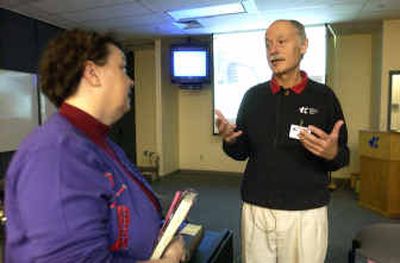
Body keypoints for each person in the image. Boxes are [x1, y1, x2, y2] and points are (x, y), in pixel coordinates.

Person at [5, 29, 185, 262]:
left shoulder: (98, 142)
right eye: (122, 68)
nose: (131, 81)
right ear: (92, 73)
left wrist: (169, 240)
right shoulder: (56, 153)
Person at [216, 19, 349, 263]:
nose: (273, 50)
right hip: (257, 208)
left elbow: (342, 154)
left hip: (306, 211)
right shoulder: (253, 96)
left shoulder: (324, 97)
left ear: (304, 45)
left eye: (281, 42)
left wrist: (332, 153)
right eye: (268, 44)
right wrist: (231, 141)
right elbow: (242, 152)